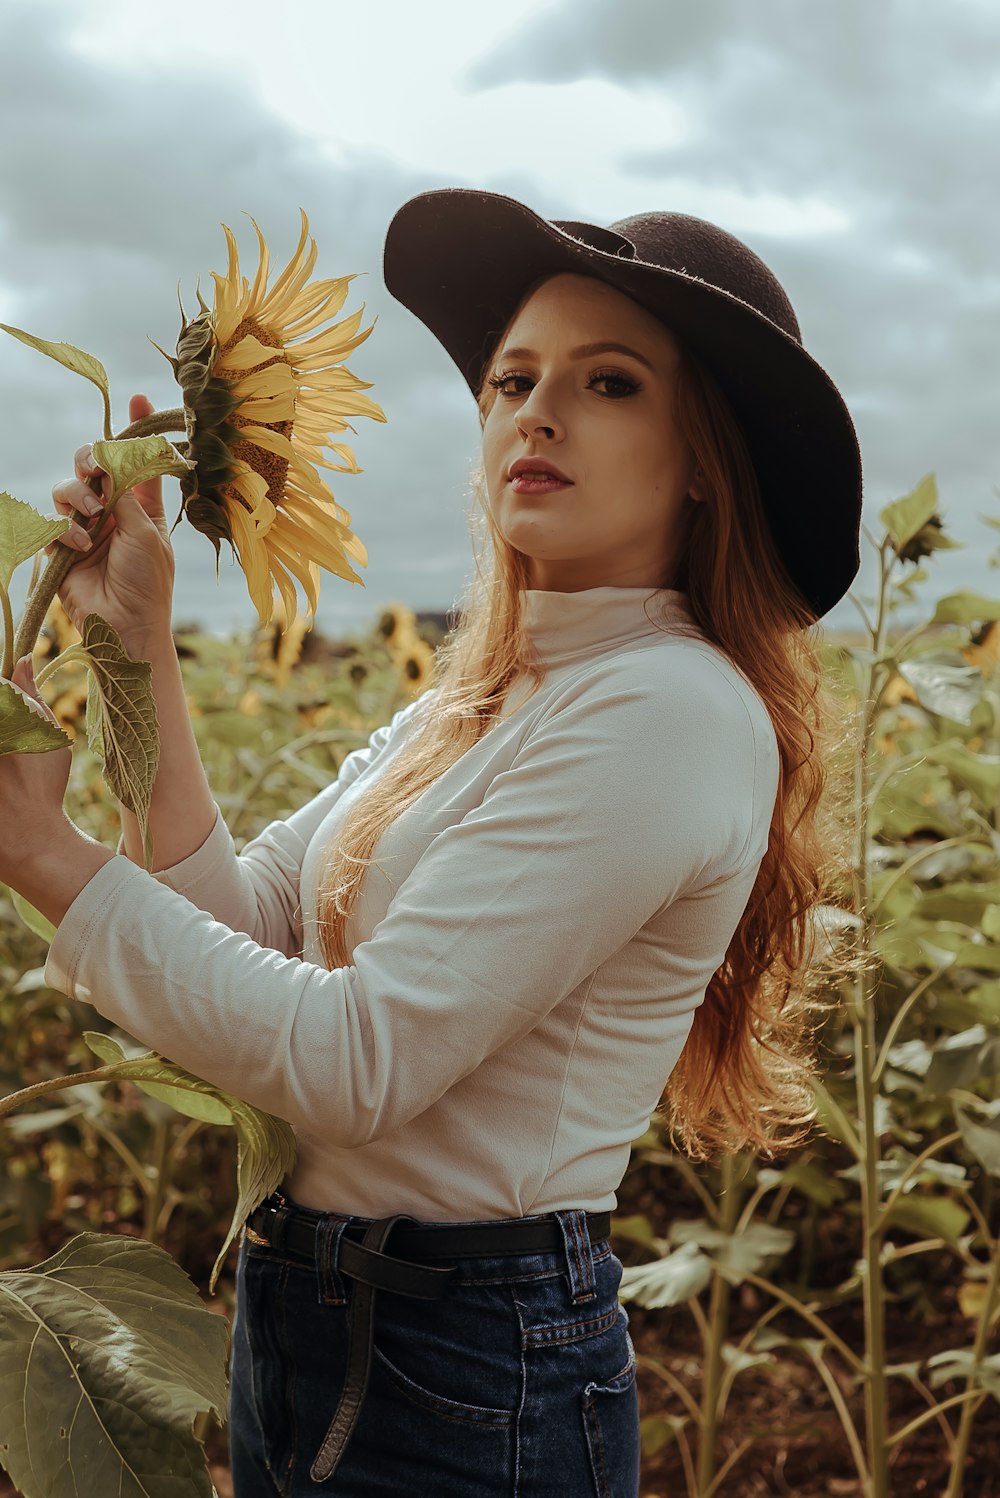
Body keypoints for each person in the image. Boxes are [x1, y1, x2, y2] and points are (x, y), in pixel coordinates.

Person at [0, 188, 862, 1497]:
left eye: (609, 381)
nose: (537, 409)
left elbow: (359, 1061)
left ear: (705, 456)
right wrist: (137, 637)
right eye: (515, 376)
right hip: (324, 1320)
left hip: (466, 1359)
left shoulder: (671, 708)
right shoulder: (484, 695)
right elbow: (256, 925)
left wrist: (44, 857)